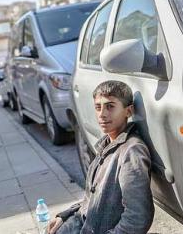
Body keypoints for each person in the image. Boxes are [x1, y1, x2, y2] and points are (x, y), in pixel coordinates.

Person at [47, 80, 154, 234]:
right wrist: (65, 216)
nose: (102, 114)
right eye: (98, 107)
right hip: (83, 224)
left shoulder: (131, 151)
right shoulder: (106, 145)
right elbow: (92, 199)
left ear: (128, 111)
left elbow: (138, 217)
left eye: (110, 106)